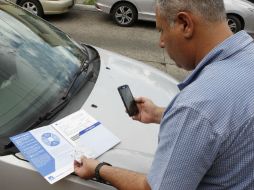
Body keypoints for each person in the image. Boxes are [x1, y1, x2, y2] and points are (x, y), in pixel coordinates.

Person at [74, 0, 254, 189]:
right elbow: (226, 121)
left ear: (185, 24)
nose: (161, 43)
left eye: (161, 30)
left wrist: (98, 168)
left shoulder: (193, 107)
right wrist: (158, 113)